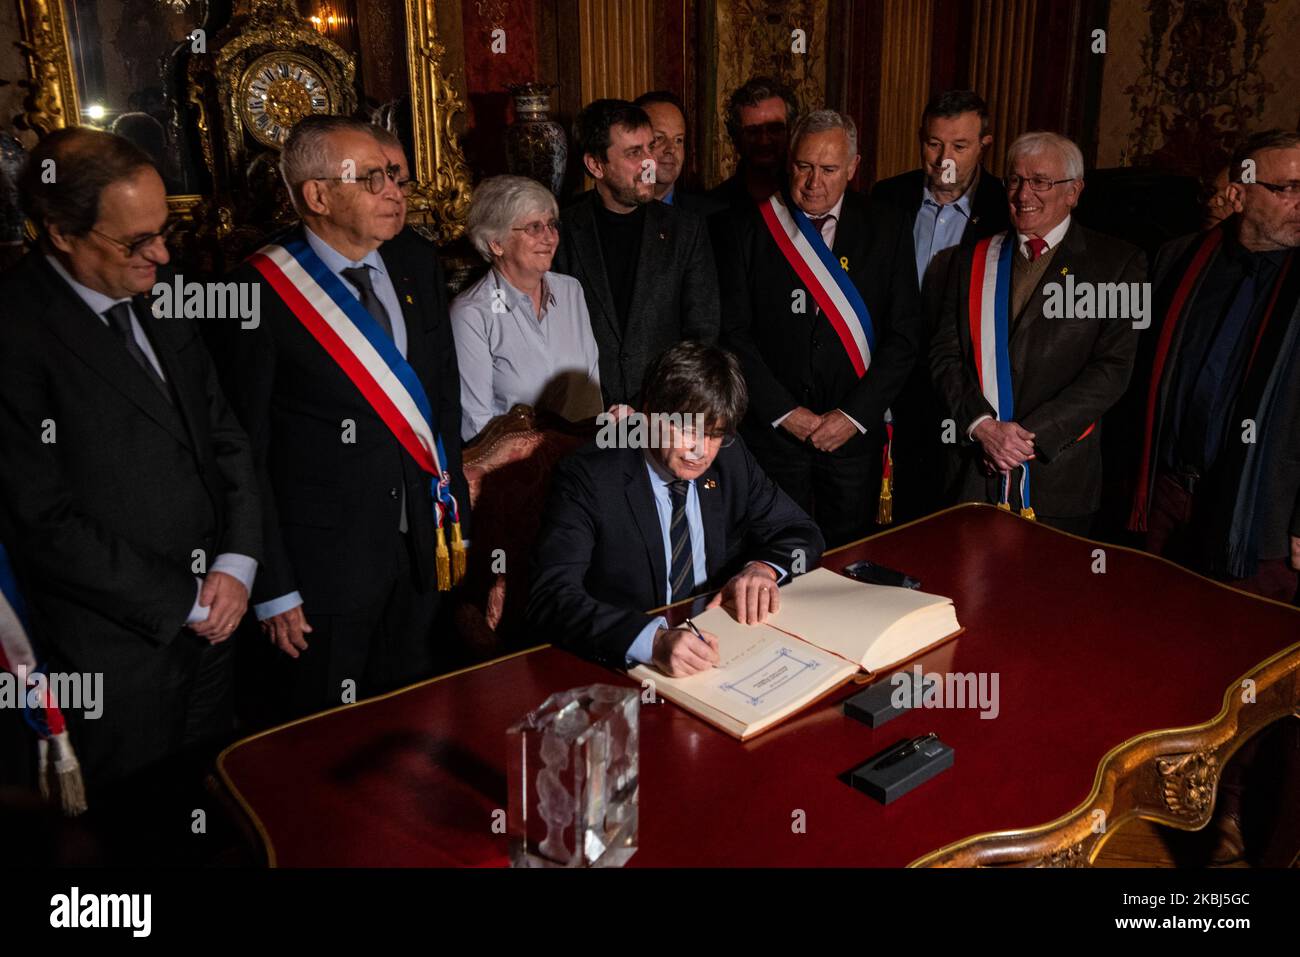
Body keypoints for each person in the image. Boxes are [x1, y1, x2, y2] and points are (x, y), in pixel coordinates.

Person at [0, 129, 261, 821]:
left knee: (214, 814)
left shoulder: (167, 287)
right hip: (115, 654)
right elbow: (41, 521)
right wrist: (184, 599)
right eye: (134, 241)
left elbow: (224, 434)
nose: (163, 254)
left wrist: (235, 563)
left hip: (220, 622)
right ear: (60, 232)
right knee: (139, 834)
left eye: (164, 230)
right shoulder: (13, 330)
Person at [221, 115, 470, 718]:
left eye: (394, 175)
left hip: (422, 549)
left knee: (419, 720)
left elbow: (441, 399)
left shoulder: (414, 259)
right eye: (373, 178)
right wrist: (271, 583)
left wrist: (453, 520)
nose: (394, 190)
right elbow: (242, 451)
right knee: (326, 740)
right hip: (323, 574)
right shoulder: (256, 292)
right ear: (317, 195)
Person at [527, 342, 824, 674]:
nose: (701, 451)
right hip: (624, 667)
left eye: (714, 435)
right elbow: (551, 597)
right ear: (650, 412)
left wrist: (761, 570)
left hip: (722, 643)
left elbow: (801, 530)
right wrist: (650, 642)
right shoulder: (589, 477)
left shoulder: (730, 456)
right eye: (686, 429)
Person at [717, 109, 922, 547]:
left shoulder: (887, 226)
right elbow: (733, 335)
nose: (814, 182)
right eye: (804, 166)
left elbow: (904, 337)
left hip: (852, 438)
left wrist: (852, 416)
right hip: (773, 437)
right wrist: (785, 413)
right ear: (788, 162)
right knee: (769, 555)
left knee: (848, 561)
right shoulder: (747, 227)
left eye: (829, 169)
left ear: (852, 168)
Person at [930, 131, 1146, 534]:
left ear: (1074, 191)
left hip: (1057, 475)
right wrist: (982, 425)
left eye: (1040, 181)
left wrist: (1025, 439)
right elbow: (944, 354)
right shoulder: (970, 259)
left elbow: (1114, 370)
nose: (1023, 193)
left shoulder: (1121, 263)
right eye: (1015, 180)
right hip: (973, 470)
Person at [1130, 129, 1300, 600]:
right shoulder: (1180, 258)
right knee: (1152, 635)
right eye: (1288, 189)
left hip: (1263, 515)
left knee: (1243, 657)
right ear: (1238, 193)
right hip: (1169, 495)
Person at [870, 90, 1011, 518]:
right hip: (892, 385)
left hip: (964, 395)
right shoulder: (887, 197)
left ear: (986, 144)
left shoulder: (1005, 208)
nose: (944, 159)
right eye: (934, 144)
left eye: (960, 146)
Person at [553, 99, 719, 407]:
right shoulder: (561, 231)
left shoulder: (686, 230)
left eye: (649, 148)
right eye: (634, 153)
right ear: (595, 165)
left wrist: (663, 406)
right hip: (585, 417)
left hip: (664, 413)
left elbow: (702, 334)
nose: (649, 163)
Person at [452, 174, 602, 441]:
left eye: (551, 225)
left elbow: (590, 396)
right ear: (496, 243)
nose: (549, 238)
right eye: (533, 227)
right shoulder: (472, 314)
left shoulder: (571, 291)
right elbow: (475, 427)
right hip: (513, 474)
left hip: (581, 462)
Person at [706, 75, 799, 215]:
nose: (764, 140)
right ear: (736, 137)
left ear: (791, 131)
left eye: (774, 129)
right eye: (753, 131)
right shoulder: (711, 208)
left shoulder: (808, 200)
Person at [632, 90, 717, 216]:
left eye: (678, 140)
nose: (671, 149)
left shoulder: (710, 216)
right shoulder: (601, 213)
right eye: (659, 138)